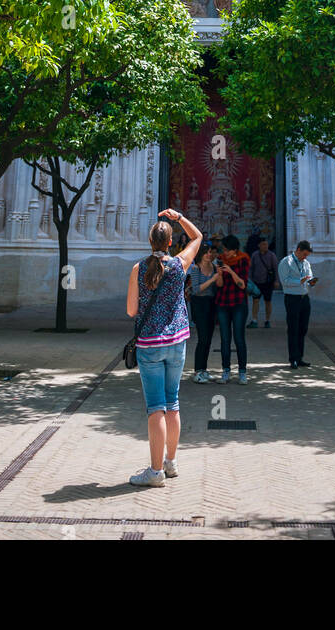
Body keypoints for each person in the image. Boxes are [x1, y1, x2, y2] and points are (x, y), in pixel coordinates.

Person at [126, 207, 201, 487]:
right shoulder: (180, 264)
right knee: (173, 404)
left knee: (155, 407)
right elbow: (198, 237)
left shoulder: (139, 268)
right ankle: (171, 462)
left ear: (150, 242)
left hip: (150, 346)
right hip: (177, 342)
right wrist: (179, 217)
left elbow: (132, 310)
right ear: (170, 242)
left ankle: (155, 472)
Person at [214, 234, 249, 384]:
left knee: (239, 338)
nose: (225, 253)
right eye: (224, 249)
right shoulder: (220, 260)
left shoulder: (243, 259)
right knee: (224, 338)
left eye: (228, 250)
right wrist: (220, 274)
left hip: (239, 303)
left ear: (235, 250)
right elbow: (220, 285)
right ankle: (225, 370)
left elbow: (242, 284)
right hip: (223, 302)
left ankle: (242, 372)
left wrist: (231, 271)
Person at [279, 240, 317, 369]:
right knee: (293, 328)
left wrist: (311, 281)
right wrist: (299, 281)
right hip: (292, 298)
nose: (305, 257)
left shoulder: (306, 263)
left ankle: (300, 357)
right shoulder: (286, 262)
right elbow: (284, 281)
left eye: (307, 255)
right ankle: (293, 358)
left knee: (303, 328)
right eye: (304, 254)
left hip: (304, 298)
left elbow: (309, 276)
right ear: (298, 250)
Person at [188, 243, 221, 382]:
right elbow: (195, 289)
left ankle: (204, 370)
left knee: (208, 338)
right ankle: (197, 371)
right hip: (199, 303)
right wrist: (212, 279)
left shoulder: (214, 267)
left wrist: (219, 275)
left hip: (211, 303)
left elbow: (219, 286)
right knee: (202, 338)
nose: (210, 254)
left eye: (211, 252)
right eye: (207, 252)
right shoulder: (196, 268)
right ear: (201, 254)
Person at [248, 238, 278, 328]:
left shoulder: (272, 255)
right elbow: (251, 268)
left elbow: (276, 269)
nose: (265, 246)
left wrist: (276, 281)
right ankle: (254, 320)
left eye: (266, 244)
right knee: (255, 301)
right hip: (257, 282)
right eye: (263, 244)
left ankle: (267, 320)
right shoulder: (255, 255)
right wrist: (250, 280)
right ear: (259, 245)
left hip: (268, 282)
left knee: (268, 302)